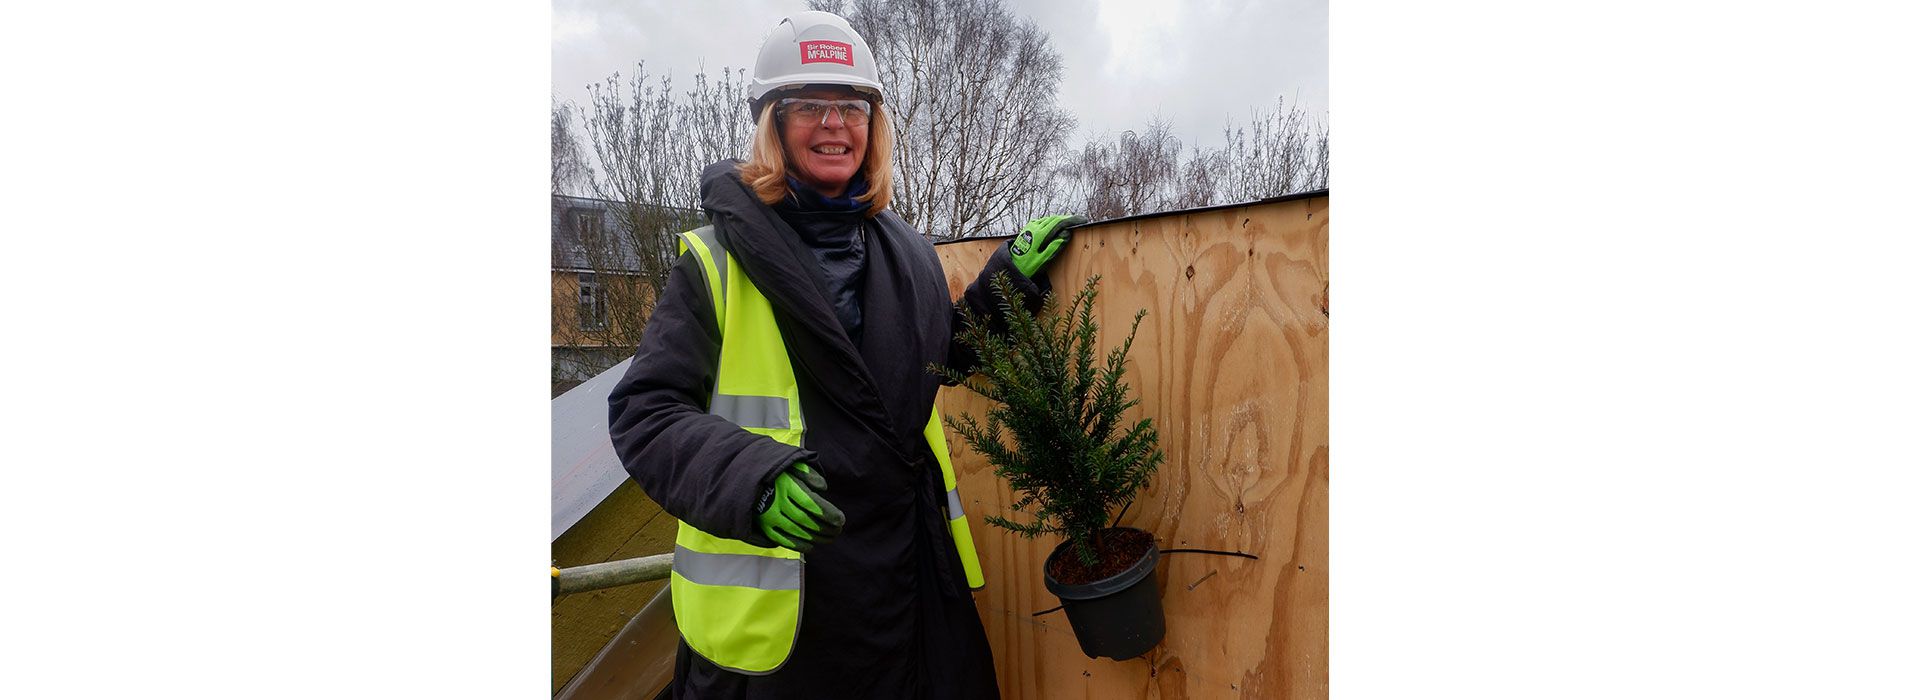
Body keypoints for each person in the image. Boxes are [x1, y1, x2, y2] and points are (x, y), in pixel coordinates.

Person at [606, 10, 1085, 700]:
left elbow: (925, 362)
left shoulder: (911, 253)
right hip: (786, 610)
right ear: (772, 124)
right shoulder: (716, 264)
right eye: (808, 106)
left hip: (905, 589)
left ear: (873, 124)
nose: (834, 124)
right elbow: (645, 412)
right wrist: (753, 481)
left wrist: (1004, 289)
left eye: (851, 106)